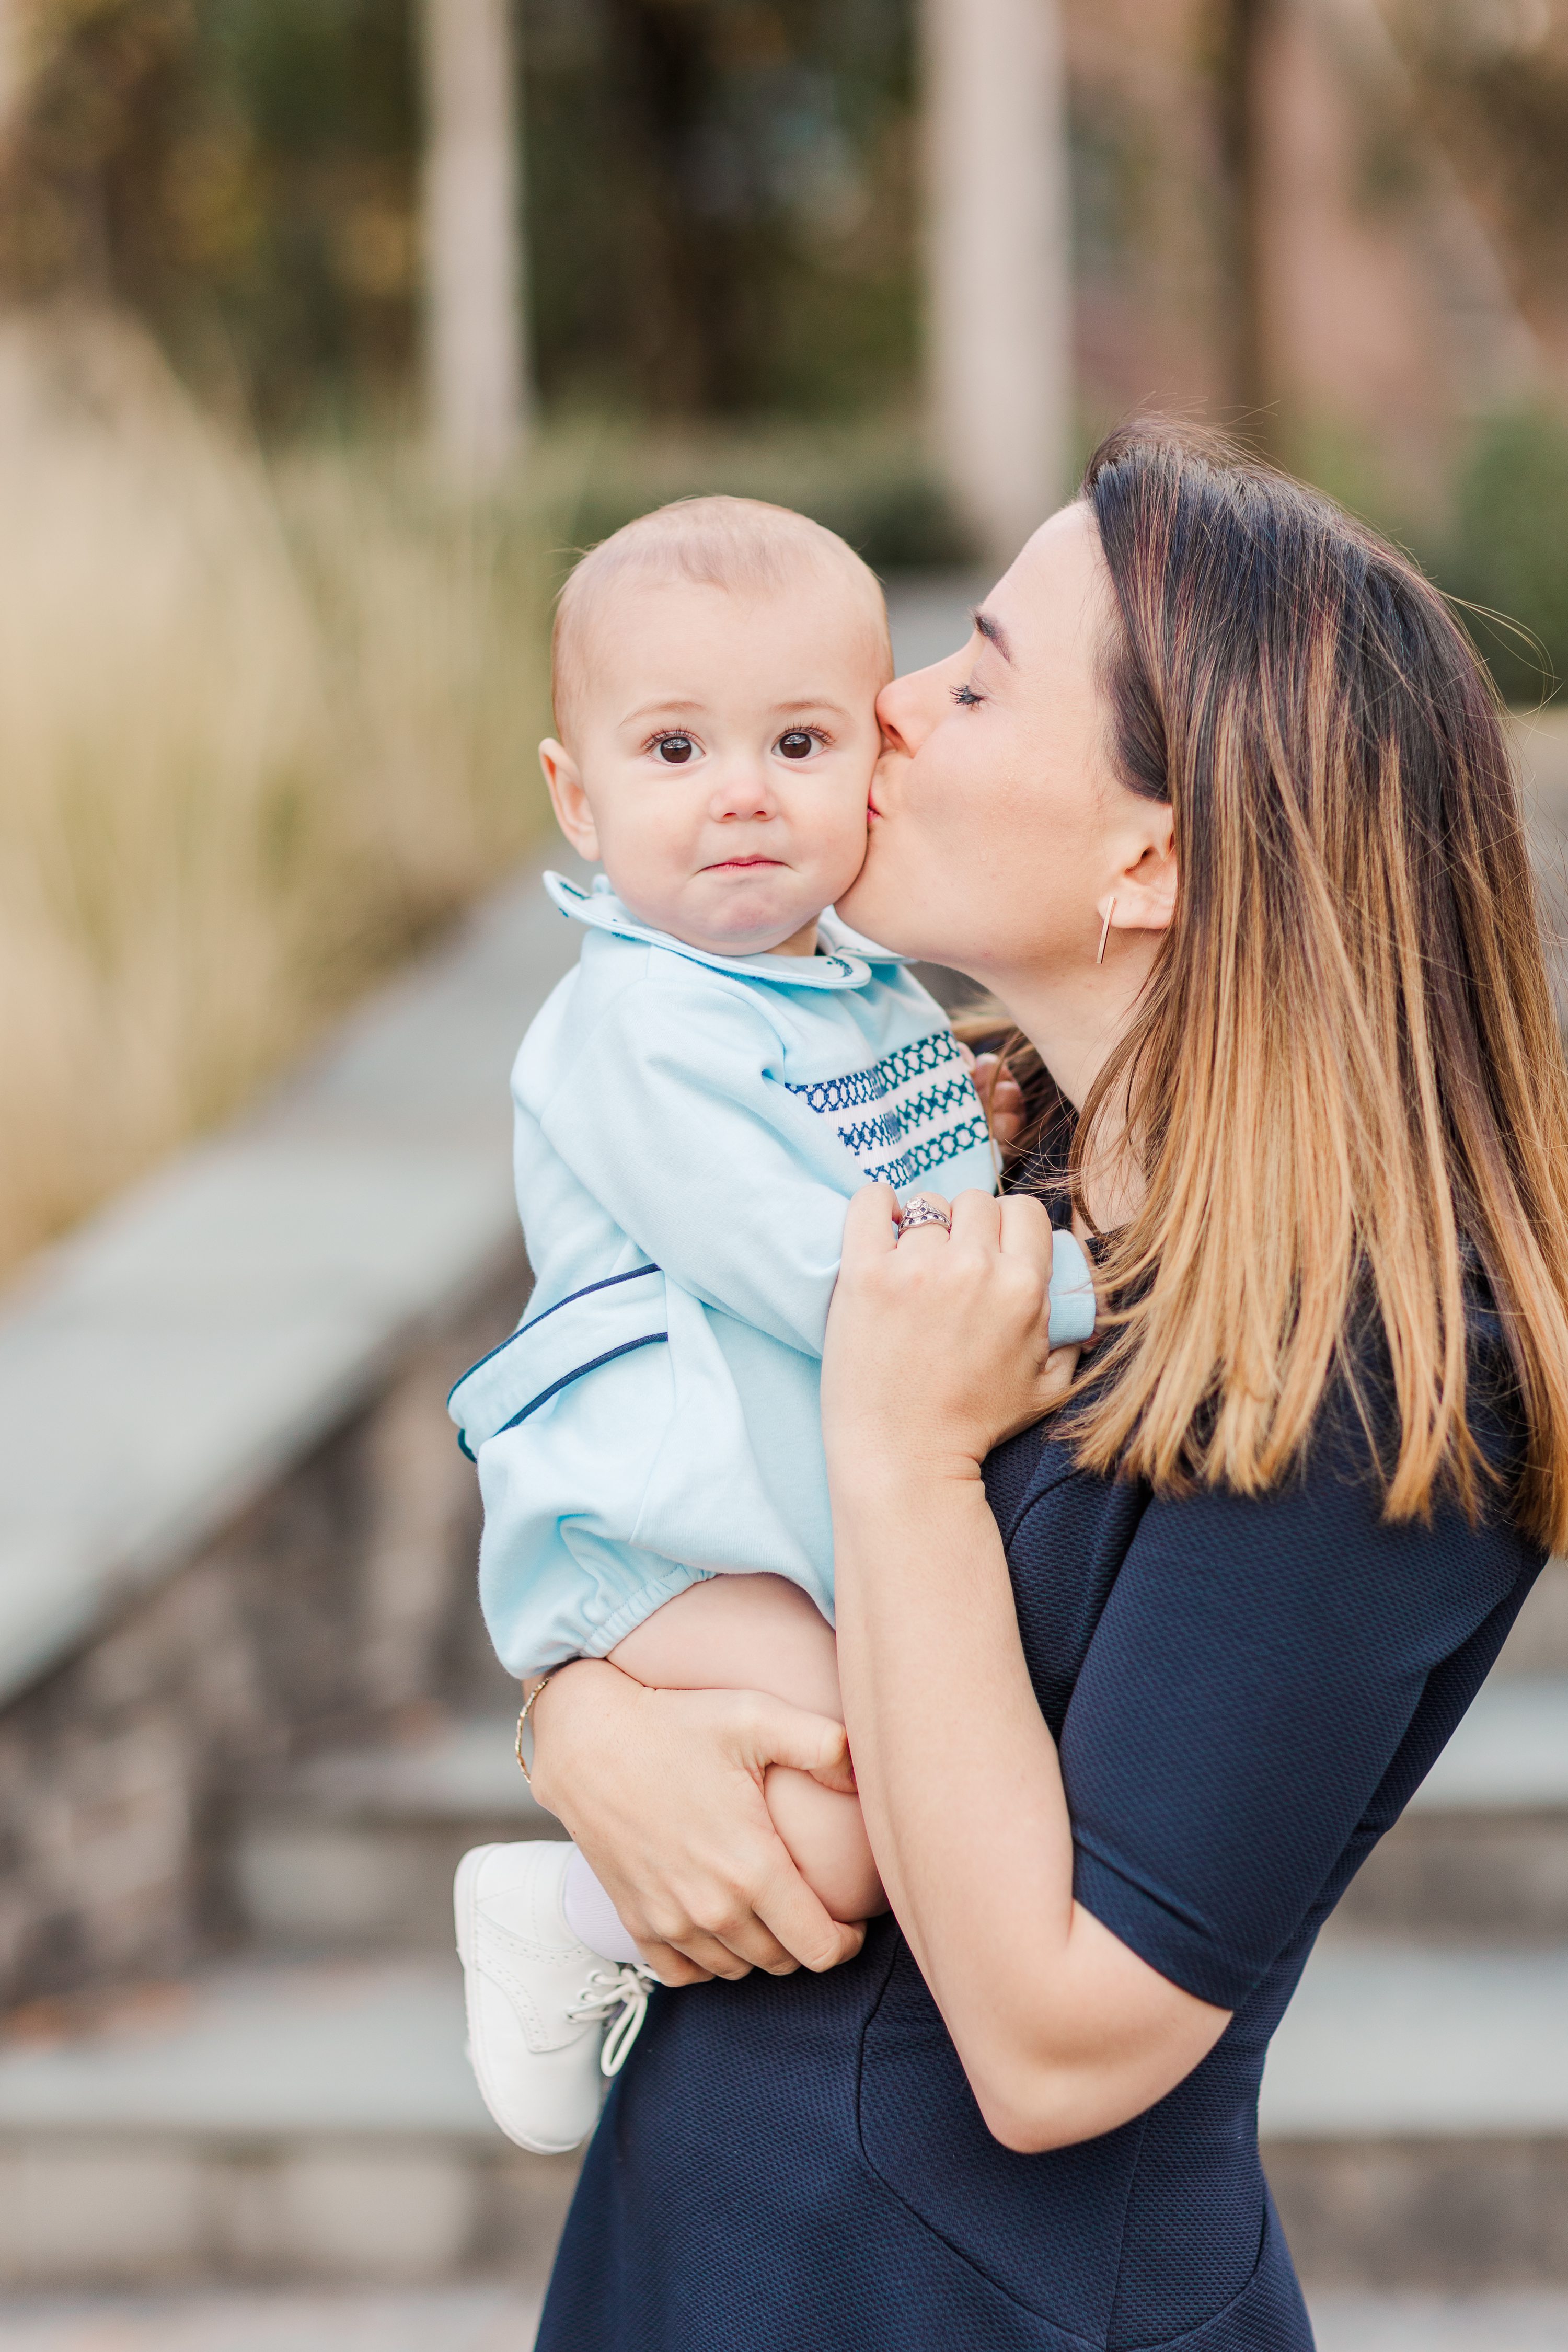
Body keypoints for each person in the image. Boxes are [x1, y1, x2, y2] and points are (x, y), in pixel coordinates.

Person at [523, 423, 1568, 2351]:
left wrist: (905, 1465)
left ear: (1150, 854)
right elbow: (665, 1483)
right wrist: (584, 1719)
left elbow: (1058, 2041)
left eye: (975, 674)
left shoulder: (1376, 1365)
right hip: (701, 2251)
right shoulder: (981, 1171)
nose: (886, 711)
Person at [447, 495, 1094, 2157]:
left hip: (785, 1502)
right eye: (674, 749)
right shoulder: (632, 1027)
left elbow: (903, 1155)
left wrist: (986, 1116)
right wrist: (1086, 1284)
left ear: (866, 765)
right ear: (577, 797)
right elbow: (815, 1269)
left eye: (798, 738)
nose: (742, 789)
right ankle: (565, 1910)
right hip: (677, 1530)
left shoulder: (857, 984)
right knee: (864, 1827)